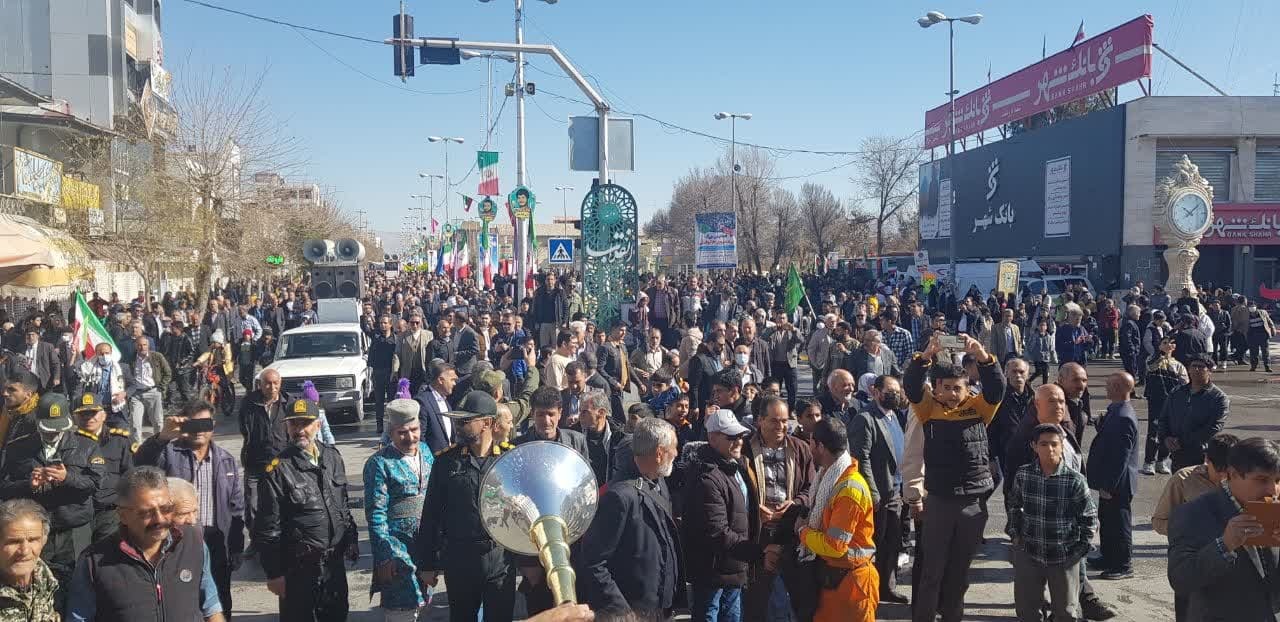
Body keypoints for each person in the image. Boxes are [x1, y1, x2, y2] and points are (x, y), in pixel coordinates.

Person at [903, 334, 1005, 622]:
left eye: (957, 388)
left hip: (973, 502)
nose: (951, 393)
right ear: (935, 389)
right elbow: (911, 386)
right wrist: (925, 356)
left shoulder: (979, 408)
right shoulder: (927, 409)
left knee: (959, 575)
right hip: (939, 501)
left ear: (967, 388)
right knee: (931, 573)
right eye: (945, 388)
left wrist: (983, 356)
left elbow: (997, 389)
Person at [67, 467, 225, 622]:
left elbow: (210, 607)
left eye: (166, 509)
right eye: (147, 512)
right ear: (123, 515)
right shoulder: (94, 562)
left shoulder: (193, 543)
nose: (160, 519)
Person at [414, 391, 518, 622]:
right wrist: (427, 563)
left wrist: (530, 562)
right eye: (456, 420)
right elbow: (431, 514)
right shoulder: (446, 462)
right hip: (460, 558)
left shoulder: (509, 459)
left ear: (487, 423)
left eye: (465, 421)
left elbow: (524, 513)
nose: (458, 426)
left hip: (499, 557)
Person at [134, 399, 244, 617]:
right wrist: (162, 437)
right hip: (177, 539)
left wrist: (236, 547)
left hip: (216, 540)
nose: (200, 431)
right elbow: (139, 469)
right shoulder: (168, 454)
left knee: (219, 599)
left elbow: (237, 508)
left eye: (205, 424)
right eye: (194, 424)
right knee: (182, 599)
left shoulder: (225, 460)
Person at [254, 397, 359, 621]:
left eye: (305, 423)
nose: (300, 430)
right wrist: (274, 573)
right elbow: (268, 527)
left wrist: (351, 538)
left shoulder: (332, 457)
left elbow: (343, 504)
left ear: (318, 425)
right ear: (286, 427)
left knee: (337, 615)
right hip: (299, 570)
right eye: (294, 424)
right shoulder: (277, 469)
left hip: (334, 566)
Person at [0, 392, 103, 602]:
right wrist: (27, 485)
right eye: (47, 430)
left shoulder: (87, 446)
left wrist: (68, 478)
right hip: (33, 531)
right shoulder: (17, 447)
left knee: (78, 582)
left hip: (74, 527)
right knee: (33, 580)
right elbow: (4, 487)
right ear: (37, 423)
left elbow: (95, 484)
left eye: (57, 430)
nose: (52, 435)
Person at [579, 417, 682, 619]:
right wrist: (621, 610)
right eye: (674, 448)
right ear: (660, 453)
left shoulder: (658, 481)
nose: (677, 454)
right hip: (632, 612)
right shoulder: (619, 497)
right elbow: (594, 561)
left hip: (660, 607)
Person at [1168, 437, 1280, 620]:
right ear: (1233, 475)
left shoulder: (1274, 509)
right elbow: (1180, 580)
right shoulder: (1193, 514)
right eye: (1262, 480)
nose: (1273, 491)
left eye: (1277, 481)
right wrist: (1224, 545)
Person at [1007, 423, 1097, 622]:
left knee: (1065, 613)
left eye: (1055, 444)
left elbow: (1089, 518)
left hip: (1063, 556)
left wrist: (1078, 552)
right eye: (1044, 444)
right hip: (1030, 551)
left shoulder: (1074, 480)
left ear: (1062, 445)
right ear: (1034, 446)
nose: (1050, 449)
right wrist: (1015, 536)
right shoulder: (1024, 474)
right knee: (1028, 611)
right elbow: (1014, 505)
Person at [793, 417, 878, 622]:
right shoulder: (830, 477)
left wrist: (803, 533)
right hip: (836, 581)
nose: (809, 446)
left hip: (851, 585)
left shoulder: (848, 489)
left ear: (820, 446)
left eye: (811, 442)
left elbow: (835, 546)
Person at [683, 409, 763, 622]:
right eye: (731, 437)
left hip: (733, 568)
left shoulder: (736, 467)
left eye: (740, 436)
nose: (738, 442)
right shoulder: (707, 477)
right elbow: (717, 531)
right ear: (712, 437)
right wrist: (755, 552)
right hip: (713, 571)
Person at [741, 396, 816, 621]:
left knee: (790, 600)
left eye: (785, 421)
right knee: (757, 601)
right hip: (757, 534)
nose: (781, 427)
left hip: (791, 533)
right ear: (760, 420)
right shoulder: (745, 450)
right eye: (774, 421)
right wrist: (754, 509)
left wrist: (794, 504)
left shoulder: (800, 449)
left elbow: (810, 488)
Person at [1152, 432, 1238, 621]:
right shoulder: (1183, 479)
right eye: (1220, 470)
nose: (1225, 477)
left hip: (1230, 568)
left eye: (1230, 472)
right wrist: (1191, 530)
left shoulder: (1242, 482)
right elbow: (1159, 521)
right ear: (1207, 459)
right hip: (1192, 562)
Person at [364, 399, 434, 621]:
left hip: (423, 543)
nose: (410, 438)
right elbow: (375, 513)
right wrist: (384, 558)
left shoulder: (425, 450)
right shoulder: (379, 463)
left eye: (414, 430)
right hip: (396, 546)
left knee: (422, 602)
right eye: (402, 432)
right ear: (391, 432)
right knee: (402, 608)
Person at [848, 374, 910, 604]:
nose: (895, 395)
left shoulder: (895, 417)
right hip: (878, 494)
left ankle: (887, 587)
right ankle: (867, 591)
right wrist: (873, 493)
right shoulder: (865, 419)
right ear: (875, 391)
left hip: (897, 491)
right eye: (890, 391)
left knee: (892, 543)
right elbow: (860, 458)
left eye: (897, 391)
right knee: (873, 544)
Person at [1086, 372, 1140, 580]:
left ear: (1118, 388)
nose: (1106, 389)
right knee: (1107, 521)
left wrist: (1109, 485)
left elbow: (1120, 457)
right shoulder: (1117, 411)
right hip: (1111, 481)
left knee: (1119, 524)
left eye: (1109, 385)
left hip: (1118, 483)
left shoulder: (1123, 416)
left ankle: (1123, 564)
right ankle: (1108, 556)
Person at [237, 367, 290, 553]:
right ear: (260, 384)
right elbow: (244, 427)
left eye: (276, 383)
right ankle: (255, 540)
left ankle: (281, 538)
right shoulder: (249, 403)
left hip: (281, 463)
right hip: (255, 462)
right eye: (268, 383)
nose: (272, 387)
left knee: (281, 502)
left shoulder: (287, 403)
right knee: (252, 504)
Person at [71, 392, 135, 542]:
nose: (89, 418)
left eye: (93, 413)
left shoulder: (120, 441)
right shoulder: (68, 443)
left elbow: (130, 476)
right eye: (83, 414)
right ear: (75, 417)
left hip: (111, 512)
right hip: (79, 512)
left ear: (104, 415)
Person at [1161, 356, 1229, 471]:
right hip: (1177, 454)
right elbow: (1164, 418)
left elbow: (1214, 427)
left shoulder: (1219, 398)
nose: (1196, 370)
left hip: (1200, 455)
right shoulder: (1177, 392)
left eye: (1201, 367)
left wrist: (1182, 442)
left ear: (1210, 371)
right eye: (1193, 366)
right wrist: (1166, 437)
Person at [0, 499, 59, 621]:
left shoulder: (43, 576)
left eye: (33, 540)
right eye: (14, 542)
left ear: (43, 541)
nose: (25, 551)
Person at [1143, 336, 1187, 475]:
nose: (1169, 345)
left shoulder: (1178, 365)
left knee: (1169, 431)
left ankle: (1161, 460)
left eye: (1172, 343)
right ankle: (1149, 461)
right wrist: (1160, 354)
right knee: (1154, 431)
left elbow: (1185, 383)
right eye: (1165, 343)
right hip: (1156, 400)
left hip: (1172, 402)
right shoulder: (1153, 359)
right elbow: (1151, 366)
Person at [124, 336, 171, 437]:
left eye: (144, 345)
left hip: (153, 392)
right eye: (139, 345)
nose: (142, 347)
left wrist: (161, 388)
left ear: (148, 345)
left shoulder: (157, 356)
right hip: (136, 395)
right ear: (136, 346)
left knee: (158, 423)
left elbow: (168, 373)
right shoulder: (131, 359)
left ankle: (158, 446)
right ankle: (136, 449)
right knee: (135, 424)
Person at [577, 390, 626, 486]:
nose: (580, 416)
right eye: (580, 411)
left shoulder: (620, 438)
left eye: (585, 412)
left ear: (601, 413)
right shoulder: (575, 434)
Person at [413, 360, 458, 454]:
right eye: (452, 380)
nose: (455, 384)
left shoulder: (446, 400)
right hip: (432, 460)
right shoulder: (422, 401)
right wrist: (427, 459)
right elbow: (420, 436)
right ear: (441, 380)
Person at [369, 315, 399, 434]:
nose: (383, 325)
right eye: (381, 323)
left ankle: (392, 424)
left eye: (385, 323)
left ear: (390, 324)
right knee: (379, 401)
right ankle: (379, 425)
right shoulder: (376, 338)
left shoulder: (395, 340)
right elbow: (371, 355)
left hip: (391, 373)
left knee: (392, 401)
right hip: (378, 373)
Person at [393, 314, 433, 395]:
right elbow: (397, 354)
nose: (414, 325)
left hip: (423, 371)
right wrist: (395, 370)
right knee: (407, 395)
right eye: (412, 322)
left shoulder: (429, 335)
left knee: (422, 395)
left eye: (417, 322)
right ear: (408, 323)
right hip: (407, 371)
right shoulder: (402, 336)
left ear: (421, 323)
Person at [19, 329, 60, 394]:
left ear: (38, 336)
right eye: (28, 335)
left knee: (44, 402)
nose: (30, 337)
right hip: (27, 381)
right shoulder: (22, 348)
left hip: (43, 381)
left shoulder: (47, 347)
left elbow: (56, 363)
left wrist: (56, 377)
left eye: (33, 335)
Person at [1245, 300, 1276, 372]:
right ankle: (1253, 366)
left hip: (1263, 335)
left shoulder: (1263, 312)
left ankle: (1267, 366)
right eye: (1250, 307)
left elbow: (1269, 321)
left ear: (1255, 306)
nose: (1252, 308)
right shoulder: (1247, 315)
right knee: (1253, 352)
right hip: (1252, 336)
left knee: (1265, 352)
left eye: (1253, 306)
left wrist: (1272, 329)